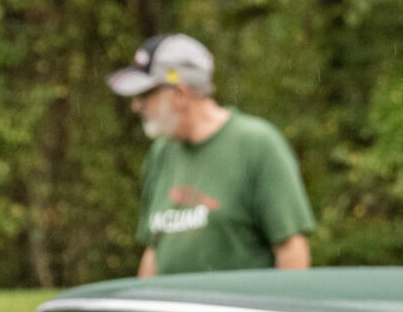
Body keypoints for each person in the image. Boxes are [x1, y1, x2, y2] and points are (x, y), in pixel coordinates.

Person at [108, 34, 316, 276]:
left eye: (145, 95)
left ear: (180, 94)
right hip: (171, 303)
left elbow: (291, 249)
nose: (136, 106)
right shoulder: (161, 153)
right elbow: (153, 250)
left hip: (234, 303)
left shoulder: (258, 145)